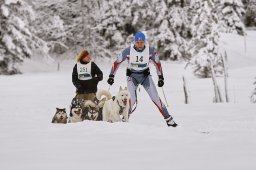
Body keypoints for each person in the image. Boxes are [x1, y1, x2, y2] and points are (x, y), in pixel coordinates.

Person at [107, 32, 178, 127]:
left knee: (156, 98)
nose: (140, 44)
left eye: (142, 42)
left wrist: (160, 77)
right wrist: (111, 76)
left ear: (144, 42)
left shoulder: (150, 51)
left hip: (145, 77)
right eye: (138, 42)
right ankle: (125, 119)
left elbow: (158, 64)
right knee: (131, 99)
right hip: (132, 77)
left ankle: (169, 120)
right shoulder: (128, 51)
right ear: (135, 42)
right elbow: (117, 62)